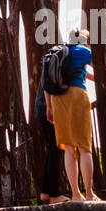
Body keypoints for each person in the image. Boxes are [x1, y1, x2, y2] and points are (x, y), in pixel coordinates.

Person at [46, 27, 99, 202]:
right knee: (84, 147)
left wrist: (49, 107)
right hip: (77, 94)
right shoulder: (83, 50)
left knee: (68, 148)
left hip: (57, 99)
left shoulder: (55, 52)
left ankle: (76, 194)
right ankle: (90, 193)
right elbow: (98, 67)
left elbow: (46, 83)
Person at [35, 75, 66, 204]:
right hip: (51, 107)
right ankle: (54, 194)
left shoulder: (53, 56)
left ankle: (46, 191)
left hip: (43, 107)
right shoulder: (60, 55)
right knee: (57, 148)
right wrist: (50, 107)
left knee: (53, 149)